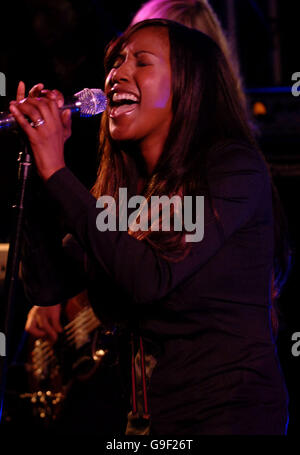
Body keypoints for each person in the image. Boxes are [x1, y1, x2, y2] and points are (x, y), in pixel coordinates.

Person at [9, 18, 290, 435]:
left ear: (188, 86)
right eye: (117, 61)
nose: (117, 73)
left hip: (228, 420)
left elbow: (149, 277)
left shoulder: (231, 168)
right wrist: (36, 170)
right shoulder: (129, 193)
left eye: (141, 62)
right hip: (146, 427)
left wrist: (57, 171)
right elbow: (47, 285)